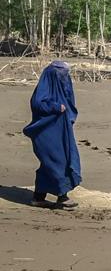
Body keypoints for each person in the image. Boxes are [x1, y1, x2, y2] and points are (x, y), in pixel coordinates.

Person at [23, 61, 81, 208]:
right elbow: (37, 103)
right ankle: (63, 197)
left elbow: (69, 102)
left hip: (61, 130)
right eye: (62, 74)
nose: (64, 77)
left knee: (50, 163)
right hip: (45, 131)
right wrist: (55, 107)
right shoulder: (45, 86)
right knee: (57, 161)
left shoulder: (62, 86)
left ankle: (38, 197)